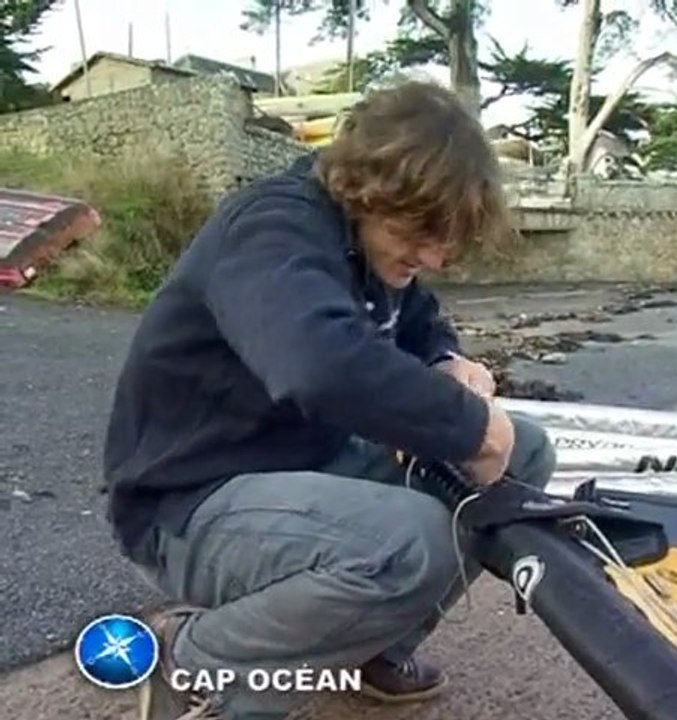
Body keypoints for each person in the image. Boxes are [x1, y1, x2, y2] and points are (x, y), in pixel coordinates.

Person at [101, 79, 557, 720]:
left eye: (447, 237)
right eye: (423, 231)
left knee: (525, 452)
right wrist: (471, 427)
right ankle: (197, 664)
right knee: (411, 544)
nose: (435, 255)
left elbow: (420, 323)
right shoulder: (271, 230)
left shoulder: (372, 241)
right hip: (186, 504)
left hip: (302, 469)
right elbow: (316, 364)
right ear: (366, 187)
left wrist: (448, 365)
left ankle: (370, 647)